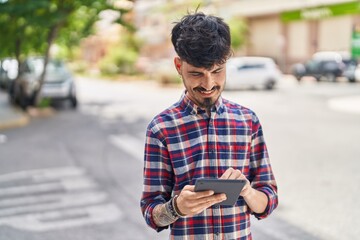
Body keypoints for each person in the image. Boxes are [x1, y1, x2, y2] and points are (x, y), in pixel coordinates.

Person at [140, 11, 278, 240]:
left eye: (217, 71)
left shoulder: (248, 121)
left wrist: (247, 191)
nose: (208, 84)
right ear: (178, 66)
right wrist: (176, 208)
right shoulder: (161, 129)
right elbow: (150, 213)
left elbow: (268, 200)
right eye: (196, 73)